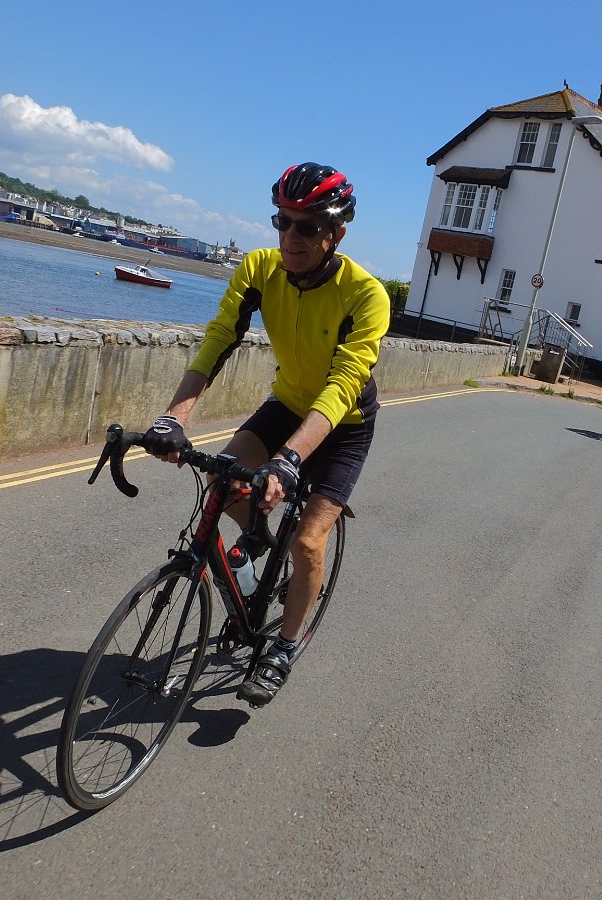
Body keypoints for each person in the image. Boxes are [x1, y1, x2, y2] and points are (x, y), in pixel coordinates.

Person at [142, 162, 390, 707]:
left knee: (306, 542)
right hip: (286, 404)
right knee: (223, 483)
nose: (291, 237)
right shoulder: (259, 269)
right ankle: (256, 536)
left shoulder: (365, 294)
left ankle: (283, 647)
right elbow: (220, 338)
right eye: (283, 221)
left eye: (307, 226)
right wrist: (173, 417)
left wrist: (290, 458)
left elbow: (344, 383)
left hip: (344, 425)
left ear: (336, 233)